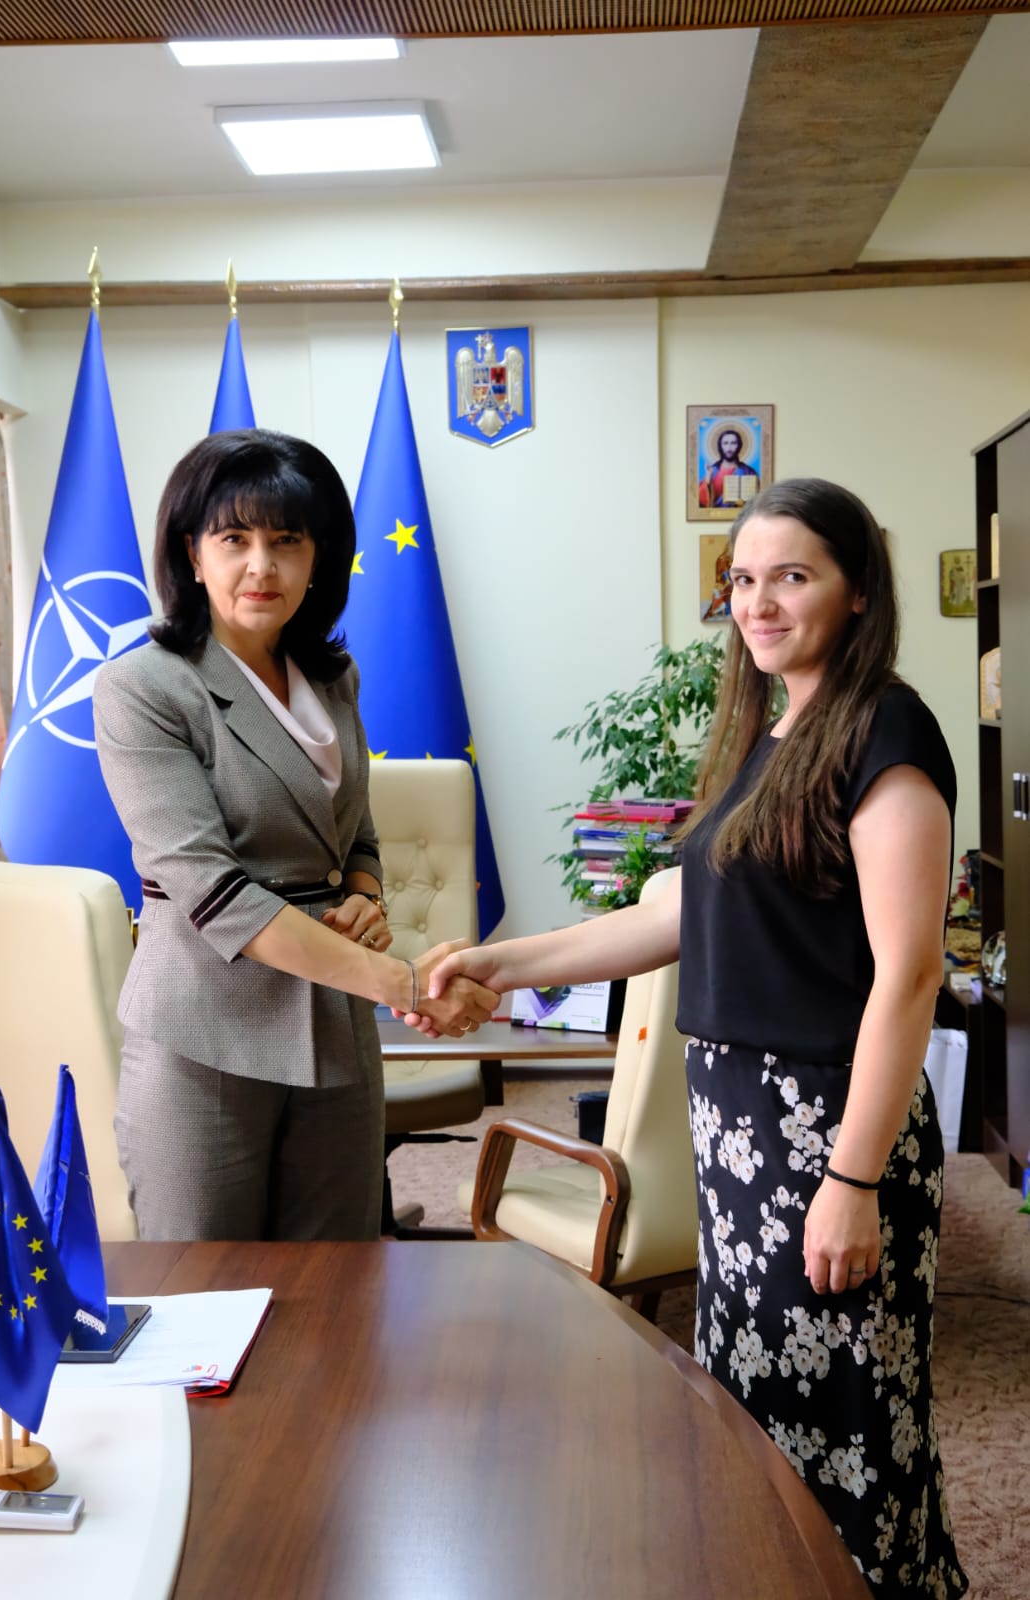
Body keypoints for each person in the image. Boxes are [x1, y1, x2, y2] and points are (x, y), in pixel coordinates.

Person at [416, 477, 967, 1596]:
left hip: (824, 1129)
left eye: (792, 576)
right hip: (738, 1129)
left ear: (858, 591)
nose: (757, 603)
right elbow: (675, 917)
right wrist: (501, 963)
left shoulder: (885, 733)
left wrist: (852, 1178)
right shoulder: (774, 732)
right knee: (755, 1396)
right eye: (743, 579)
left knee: (843, 1401)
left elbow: (910, 973)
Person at [93, 429, 496, 1244]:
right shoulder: (142, 688)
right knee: (205, 1285)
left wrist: (364, 893)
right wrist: (402, 983)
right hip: (205, 1029)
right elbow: (214, 893)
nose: (261, 566)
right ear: (191, 554)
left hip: (333, 1023)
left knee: (340, 1276)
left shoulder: (334, 678)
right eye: (234, 539)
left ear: (320, 558)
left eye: (286, 541)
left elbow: (357, 831)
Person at [699, 425, 757, 510]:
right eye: (725, 443)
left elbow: (755, 501)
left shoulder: (748, 472)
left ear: (739, 446)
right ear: (720, 446)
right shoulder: (712, 470)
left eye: (733, 443)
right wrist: (707, 482)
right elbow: (701, 502)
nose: (729, 448)